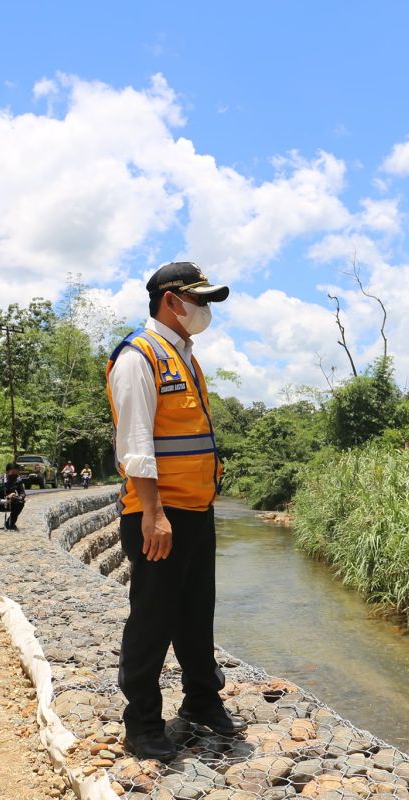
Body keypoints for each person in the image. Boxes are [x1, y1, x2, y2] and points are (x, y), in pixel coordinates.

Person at [105, 260, 241, 761]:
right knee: (153, 619)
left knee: (195, 611)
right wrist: (153, 512)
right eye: (199, 300)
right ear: (171, 300)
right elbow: (135, 442)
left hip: (195, 509)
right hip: (159, 513)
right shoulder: (139, 356)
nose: (204, 310)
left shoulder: (184, 355)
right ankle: (141, 722)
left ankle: (202, 700)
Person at [0, 463, 25, 530]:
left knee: (20, 502)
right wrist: (4, 501)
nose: (14, 475)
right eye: (12, 473)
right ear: (7, 472)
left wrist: (18, 497)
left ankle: (10, 523)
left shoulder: (18, 480)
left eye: (16, 473)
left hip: (11, 503)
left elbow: (22, 493)